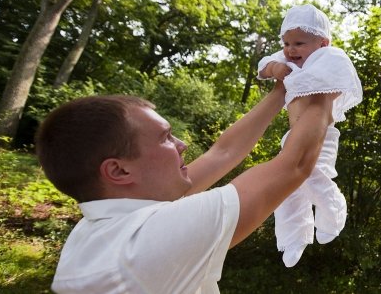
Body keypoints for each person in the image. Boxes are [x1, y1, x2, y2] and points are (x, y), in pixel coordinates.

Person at [35, 80, 339, 293]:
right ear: (118, 169)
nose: (182, 144)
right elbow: (293, 166)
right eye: (165, 137)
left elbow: (222, 153)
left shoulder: (99, 229)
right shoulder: (142, 245)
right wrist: (324, 85)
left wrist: (281, 90)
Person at [257, 4, 362, 267]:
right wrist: (274, 70)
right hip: (293, 135)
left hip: (322, 136)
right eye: (286, 43)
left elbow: (341, 81)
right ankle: (294, 238)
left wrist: (292, 79)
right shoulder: (288, 61)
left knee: (312, 176)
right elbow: (261, 67)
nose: (291, 50)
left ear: (323, 42)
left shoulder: (331, 58)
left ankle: (333, 208)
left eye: (299, 43)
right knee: (287, 186)